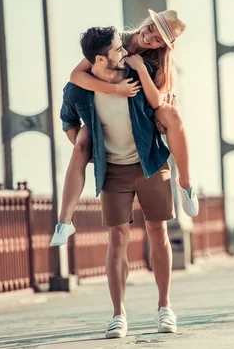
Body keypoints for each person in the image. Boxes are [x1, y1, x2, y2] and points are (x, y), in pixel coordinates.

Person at [60, 26, 179, 337]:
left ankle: (165, 307)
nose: (125, 51)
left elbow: (159, 103)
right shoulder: (78, 90)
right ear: (100, 58)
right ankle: (118, 314)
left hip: (151, 162)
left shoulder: (139, 73)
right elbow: (67, 119)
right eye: (118, 49)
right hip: (113, 171)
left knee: (158, 230)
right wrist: (85, 148)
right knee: (117, 239)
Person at [50, 9, 198, 247]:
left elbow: (156, 102)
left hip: (140, 118)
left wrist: (140, 69)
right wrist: (117, 89)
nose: (150, 37)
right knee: (80, 148)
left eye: (158, 39)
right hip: (100, 113)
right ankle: (64, 222)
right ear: (147, 22)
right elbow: (76, 76)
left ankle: (186, 183)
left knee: (171, 114)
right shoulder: (115, 42)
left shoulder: (155, 63)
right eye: (151, 28)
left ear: (164, 46)